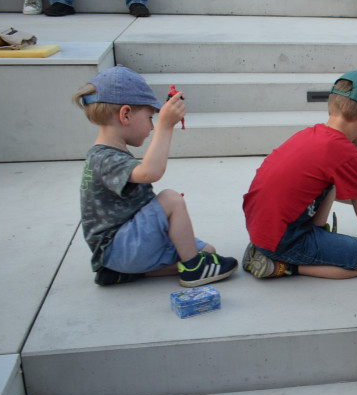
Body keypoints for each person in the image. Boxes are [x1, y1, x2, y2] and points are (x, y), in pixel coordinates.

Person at [77, 66, 238, 287]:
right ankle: (194, 270)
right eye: (150, 117)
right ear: (125, 115)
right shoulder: (102, 157)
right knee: (171, 199)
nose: (152, 126)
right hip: (119, 248)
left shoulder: (108, 153)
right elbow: (150, 173)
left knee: (207, 251)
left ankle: (124, 274)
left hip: (126, 249)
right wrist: (166, 125)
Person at [241, 71, 357, 280]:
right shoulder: (349, 154)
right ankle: (279, 265)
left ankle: (284, 247)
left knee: (330, 183)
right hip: (283, 240)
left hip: (261, 228)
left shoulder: (311, 135)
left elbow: (307, 188)